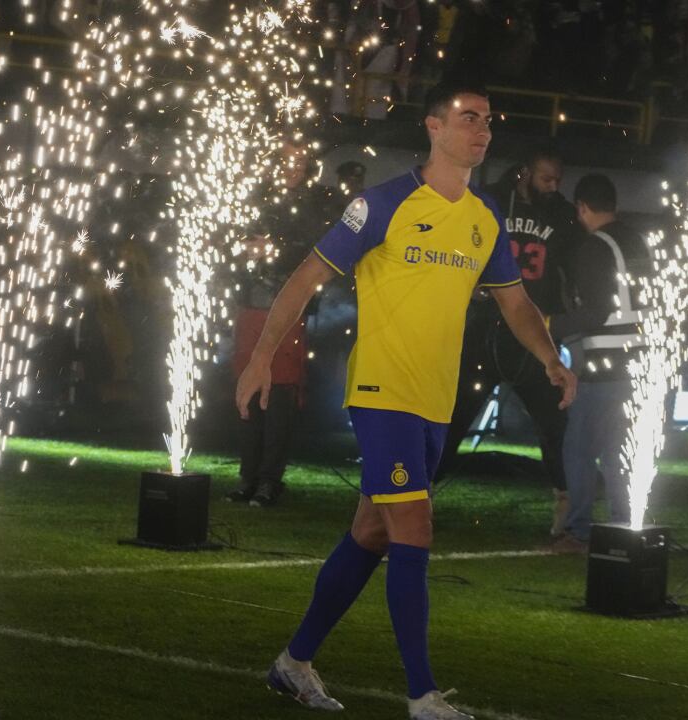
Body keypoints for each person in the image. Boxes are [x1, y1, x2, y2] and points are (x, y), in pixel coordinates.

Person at [234, 80, 577, 718]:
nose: (483, 131)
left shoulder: (484, 218)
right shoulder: (383, 204)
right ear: (434, 127)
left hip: (435, 402)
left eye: (488, 121)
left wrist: (550, 357)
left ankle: (293, 662)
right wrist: (261, 356)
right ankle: (421, 695)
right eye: (469, 118)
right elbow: (308, 274)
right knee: (413, 525)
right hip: (382, 392)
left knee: (370, 531)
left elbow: (514, 301)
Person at [438, 147, 578, 536]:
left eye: (557, 181)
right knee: (453, 416)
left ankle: (566, 503)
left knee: (553, 422)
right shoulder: (492, 202)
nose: (552, 187)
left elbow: (572, 266)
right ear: (525, 172)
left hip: (532, 332)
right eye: (546, 179)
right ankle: (419, 496)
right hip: (485, 327)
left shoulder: (562, 215)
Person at [226, 140, 336, 507]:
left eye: (300, 161)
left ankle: (269, 480)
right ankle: (248, 476)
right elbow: (231, 238)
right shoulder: (256, 197)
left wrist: (272, 247)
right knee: (249, 394)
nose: (292, 167)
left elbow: (315, 253)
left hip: (289, 310)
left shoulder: (314, 205)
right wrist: (244, 247)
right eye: (287, 160)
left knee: (281, 395)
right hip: (252, 306)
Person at [548, 173, 652, 553]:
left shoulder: (594, 247)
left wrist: (546, 325)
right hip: (640, 366)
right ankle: (624, 526)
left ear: (582, 208)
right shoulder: (638, 241)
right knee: (617, 452)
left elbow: (594, 312)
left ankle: (580, 531)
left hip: (605, 368)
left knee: (578, 448)